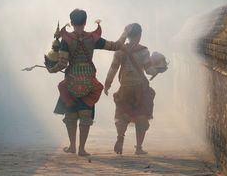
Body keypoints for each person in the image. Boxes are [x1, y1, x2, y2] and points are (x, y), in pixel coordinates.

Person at [47, 9, 132, 156]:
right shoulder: (93, 38)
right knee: (85, 114)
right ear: (85, 22)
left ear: (71, 22)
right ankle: (82, 149)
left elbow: (62, 63)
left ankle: (72, 146)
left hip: (71, 81)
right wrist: (125, 32)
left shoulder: (66, 40)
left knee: (71, 114)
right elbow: (116, 45)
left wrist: (52, 69)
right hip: (89, 81)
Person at [104, 23, 167, 155]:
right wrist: (159, 70)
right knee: (141, 116)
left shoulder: (119, 51)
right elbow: (149, 70)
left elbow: (113, 69)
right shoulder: (143, 51)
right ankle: (138, 147)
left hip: (124, 87)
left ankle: (120, 137)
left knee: (122, 115)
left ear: (127, 36)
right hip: (140, 89)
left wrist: (107, 84)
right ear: (139, 35)